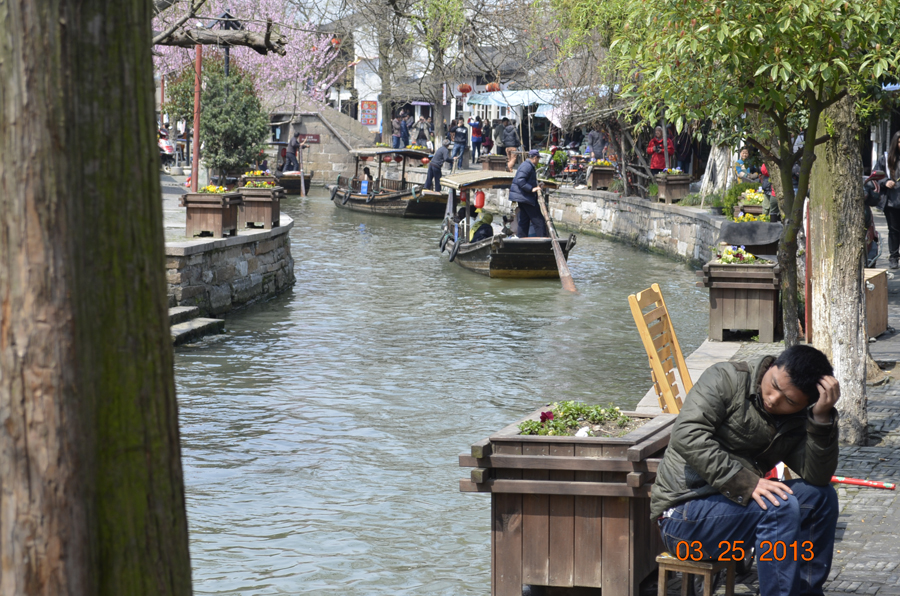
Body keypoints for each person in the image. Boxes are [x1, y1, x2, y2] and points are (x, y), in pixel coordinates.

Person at [652, 344, 840, 596]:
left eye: (790, 400)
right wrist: (748, 483)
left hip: (737, 517)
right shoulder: (724, 378)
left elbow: (817, 475)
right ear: (773, 365)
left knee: (821, 497)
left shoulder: (797, 418)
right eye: (774, 384)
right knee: (778, 508)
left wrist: (821, 419)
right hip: (684, 518)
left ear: (805, 403)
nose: (774, 399)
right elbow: (687, 435)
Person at [875, 130, 900, 269]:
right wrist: (885, 182)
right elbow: (876, 177)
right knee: (894, 231)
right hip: (892, 201)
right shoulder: (885, 159)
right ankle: (894, 257)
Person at [509, 149, 545, 237]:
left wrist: (536, 186)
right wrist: (531, 189)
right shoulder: (527, 166)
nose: (538, 161)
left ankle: (522, 239)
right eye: (538, 159)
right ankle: (543, 241)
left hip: (523, 197)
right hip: (525, 197)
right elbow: (520, 180)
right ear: (535, 158)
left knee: (524, 220)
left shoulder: (527, 165)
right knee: (539, 221)